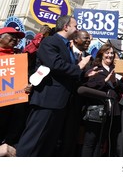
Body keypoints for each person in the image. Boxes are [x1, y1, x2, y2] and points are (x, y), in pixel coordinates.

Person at [16, 15, 100, 157]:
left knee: (48, 144)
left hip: (61, 103)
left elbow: (67, 73)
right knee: (33, 141)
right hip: (47, 101)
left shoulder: (67, 46)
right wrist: (79, 66)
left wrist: (84, 75)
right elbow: (54, 65)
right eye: (75, 26)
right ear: (66, 27)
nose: (77, 29)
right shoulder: (50, 41)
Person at [81, 43, 123, 157]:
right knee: (90, 141)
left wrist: (115, 82)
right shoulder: (94, 68)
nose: (110, 55)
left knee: (102, 143)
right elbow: (89, 85)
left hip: (111, 111)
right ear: (101, 54)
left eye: (112, 53)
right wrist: (105, 80)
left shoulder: (116, 70)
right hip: (97, 109)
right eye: (107, 53)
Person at [58, 30, 93, 156]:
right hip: (59, 100)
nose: (88, 41)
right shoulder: (65, 53)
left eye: (89, 39)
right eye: (85, 38)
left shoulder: (89, 57)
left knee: (70, 137)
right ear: (76, 39)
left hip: (77, 104)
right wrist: (79, 66)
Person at [0, 27, 28, 150]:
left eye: (18, 38)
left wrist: (27, 86)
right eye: (11, 35)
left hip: (12, 103)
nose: (15, 39)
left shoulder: (19, 55)